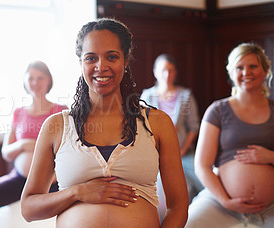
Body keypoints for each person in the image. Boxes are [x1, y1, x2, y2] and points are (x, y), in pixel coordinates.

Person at [21, 18, 188, 228]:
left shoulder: (158, 123)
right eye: (91, 58)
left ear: (125, 60)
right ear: (81, 62)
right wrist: (77, 192)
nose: (101, 66)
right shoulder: (56, 126)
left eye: (112, 57)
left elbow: (178, 206)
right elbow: (28, 208)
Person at [0, 60, 67, 228]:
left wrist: (34, 146)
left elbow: (68, 150)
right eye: (31, 78)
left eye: (40, 78)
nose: (35, 83)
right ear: (25, 83)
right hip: (20, 180)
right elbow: (6, 152)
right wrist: (23, 145)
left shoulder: (61, 111)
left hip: (51, 183)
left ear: (48, 80)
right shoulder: (18, 113)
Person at [186, 43, 274, 228]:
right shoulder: (217, 110)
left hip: (270, 206)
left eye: (253, 66)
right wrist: (225, 201)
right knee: (189, 224)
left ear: (265, 71)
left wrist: (269, 156)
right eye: (239, 67)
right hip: (220, 203)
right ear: (231, 73)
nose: (246, 72)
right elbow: (202, 165)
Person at [141, 54, 203, 220]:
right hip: (155, 156)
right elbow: (140, 128)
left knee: (203, 182)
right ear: (155, 72)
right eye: (163, 71)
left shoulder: (186, 96)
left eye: (170, 71)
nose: (167, 75)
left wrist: (182, 150)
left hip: (184, 153)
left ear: (175, 73)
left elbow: (194, 127)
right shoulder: (147, 96)